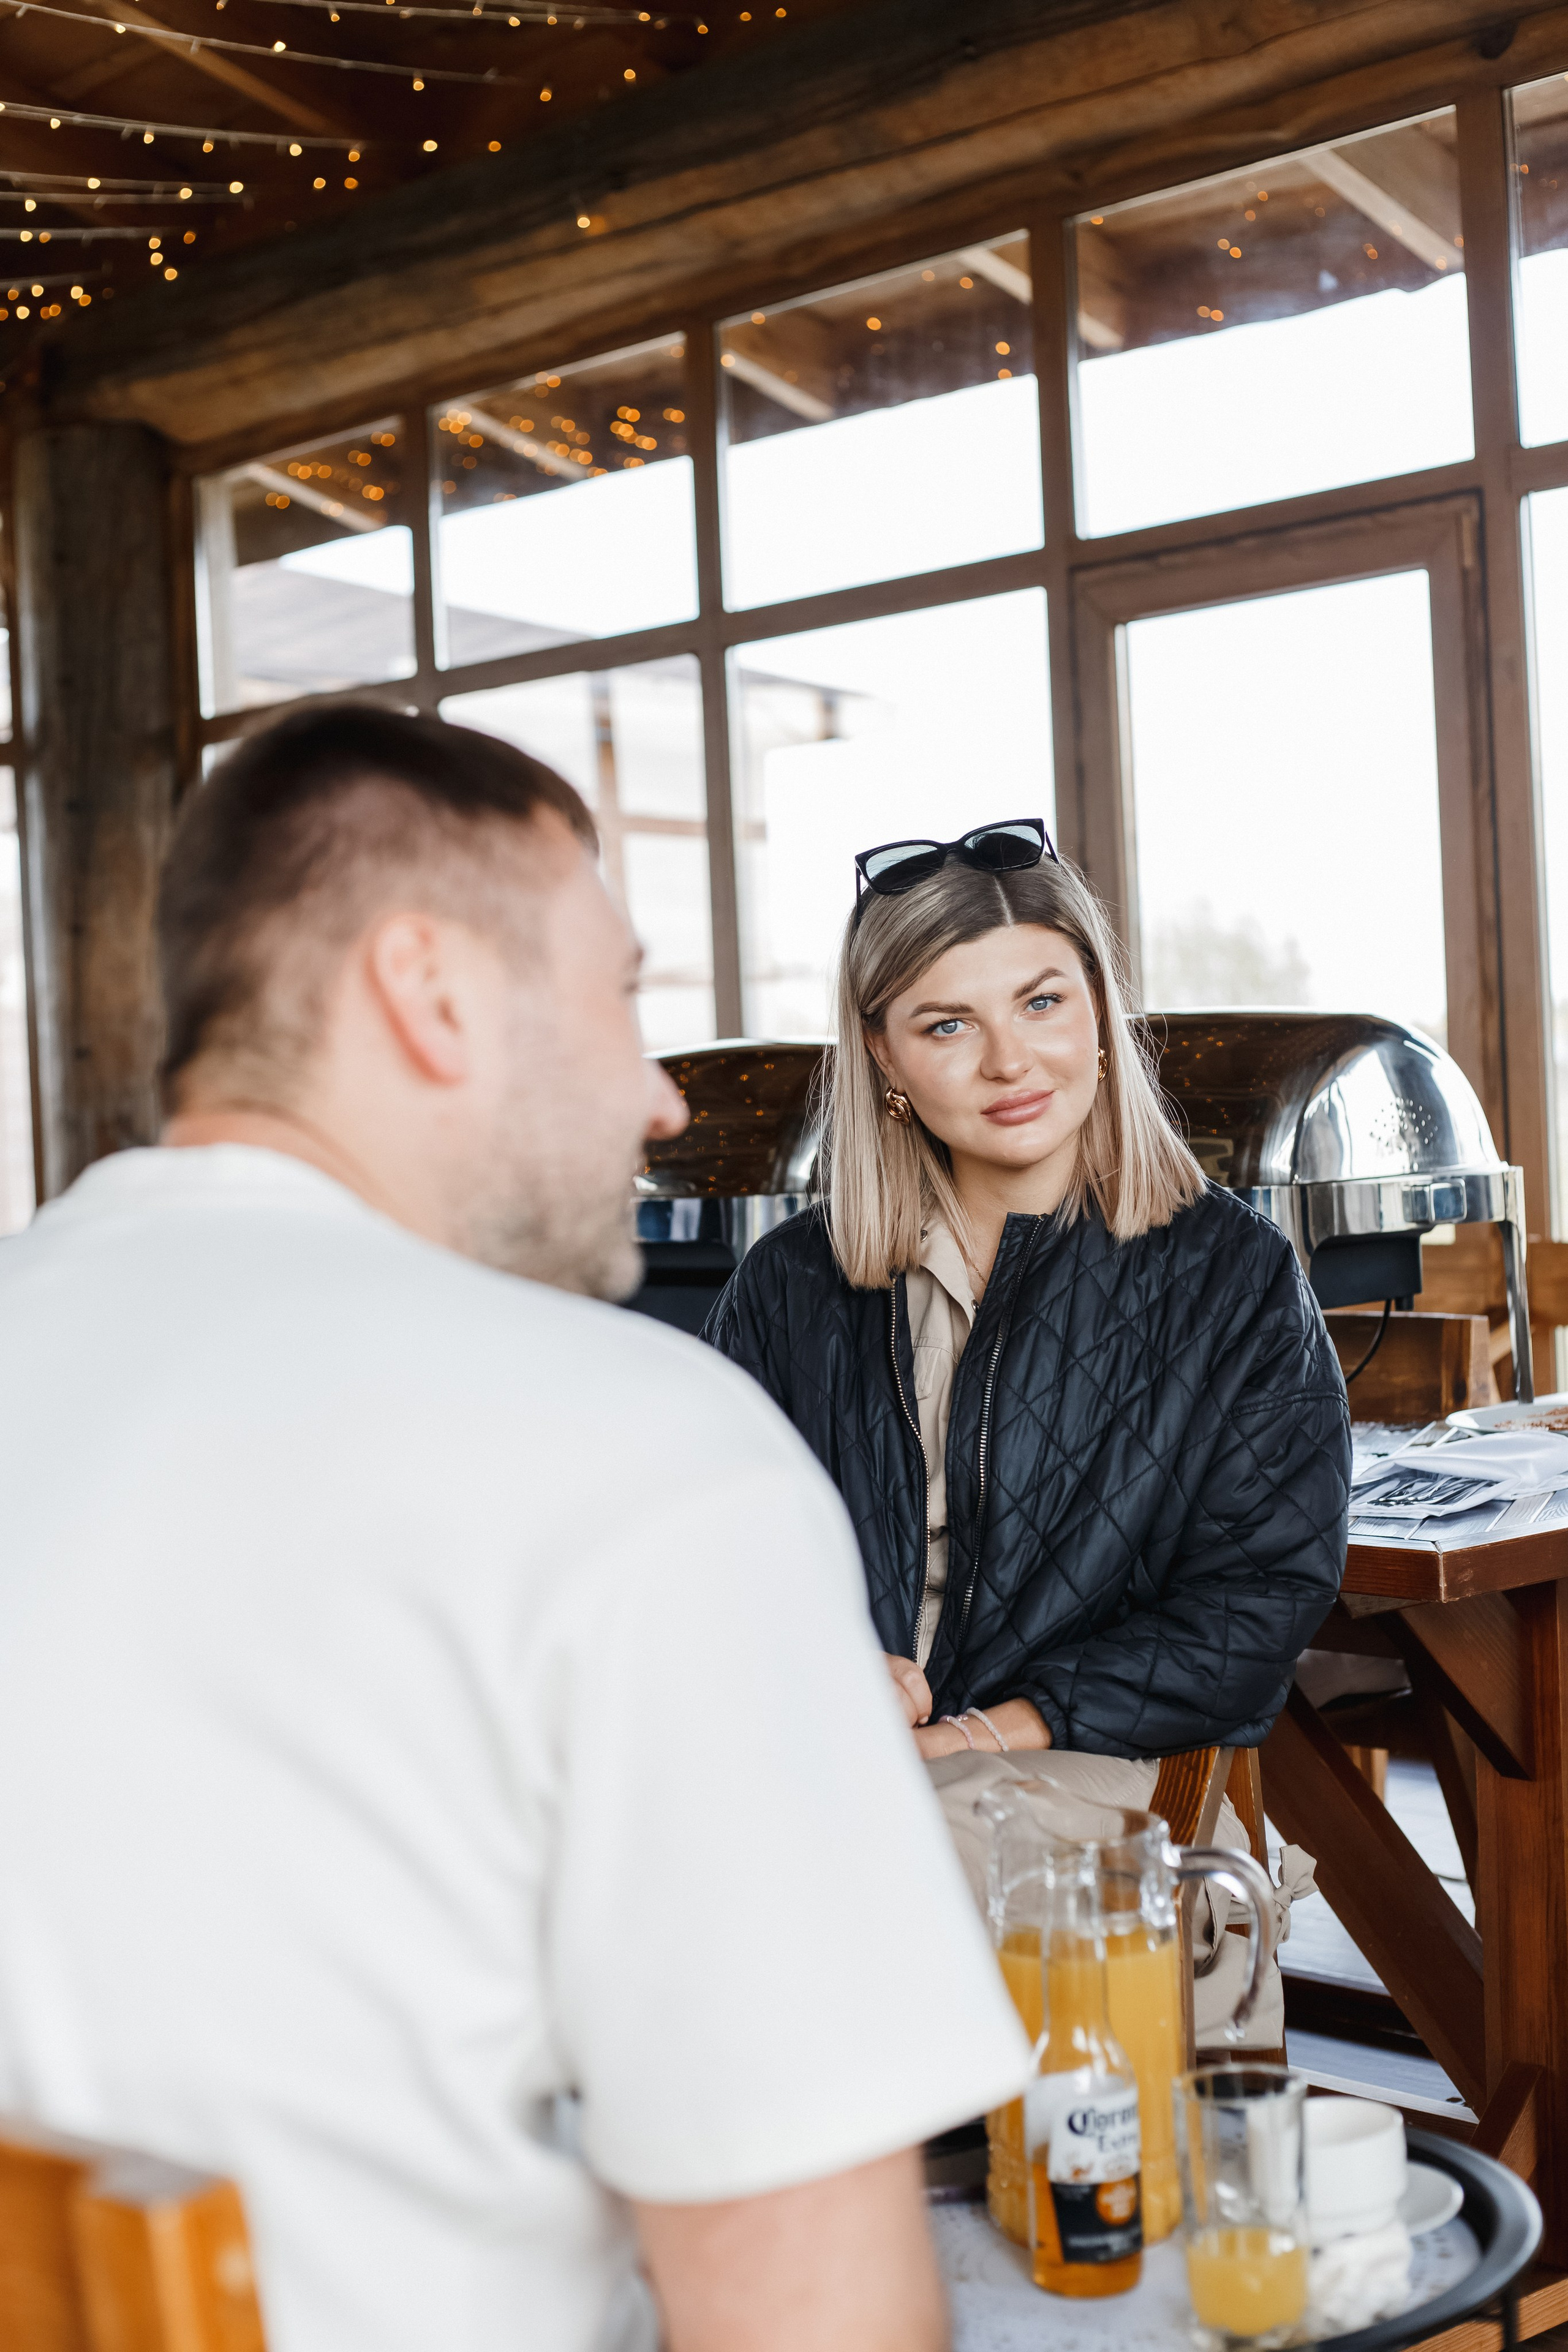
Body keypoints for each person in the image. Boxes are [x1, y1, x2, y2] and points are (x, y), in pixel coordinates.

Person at [0, 714, 1030, 2352]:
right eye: (620, 996)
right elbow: (819, 2327)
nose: (660, 1094)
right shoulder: (639, 1458)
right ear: (430, 990)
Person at [704, 818, 1351, 1764]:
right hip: (807, 1746)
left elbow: (1257, 1602)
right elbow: (705, 1549)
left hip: (1064, 1765)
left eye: (1042, 1003)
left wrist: (978, 1736)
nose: (1009, 1062)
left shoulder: (1231, 1274)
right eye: (948, 1024)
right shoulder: (791, 1280)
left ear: (1098, 1008)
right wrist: (822, 1657)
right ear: (884, 1056)